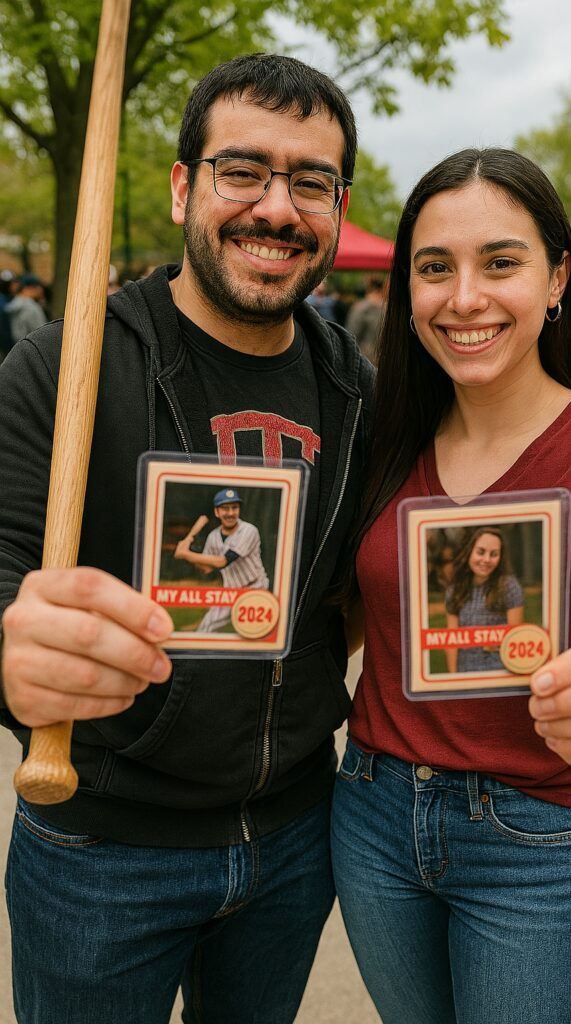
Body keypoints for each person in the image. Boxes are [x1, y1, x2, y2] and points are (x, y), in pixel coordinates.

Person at [0, 54, 374, 1024]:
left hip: (293, 836)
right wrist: (13, 649)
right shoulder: (62, 362)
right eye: (242, 171)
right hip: (102, 851)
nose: (276, 208)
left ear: (338, 205)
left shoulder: (357, 384)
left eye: (310, 182)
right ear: (182, 187)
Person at [331, 148, 571, 1024]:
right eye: (434, 268)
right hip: (372, 817)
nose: (464, 298)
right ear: (406, 293)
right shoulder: (380, 443)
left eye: (500, 263)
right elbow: (341, 618)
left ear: (557, 277)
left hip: (536, 835)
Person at [174, 487, 269, 632]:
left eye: (234, 508)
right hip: (230, 592)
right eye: (225, 508)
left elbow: (222, 561)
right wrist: (187, 552)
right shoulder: (213, 536)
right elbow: (206, 568)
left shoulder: (249, 530)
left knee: (256, 635)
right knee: (204, 630)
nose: (230, 513)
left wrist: (185, 554)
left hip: (255, 588)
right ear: (216, 512)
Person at [444, 526, 523, 673]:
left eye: (494, 554)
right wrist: (453, 681)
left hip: (499, 671)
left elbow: (516, 640)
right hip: (465, 671)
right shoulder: (454, 591)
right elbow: (451, 643)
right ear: (469, 552)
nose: (486, 560)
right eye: (481, 552)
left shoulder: (509, 587)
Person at [345, 275, 386, 363]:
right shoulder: (388, 308)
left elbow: (352, 334)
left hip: (365, 357)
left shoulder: (360, 307)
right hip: (385, 356)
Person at [5, 272, 48, 344]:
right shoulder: (31, 308)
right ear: (30, 288)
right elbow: (42, 335)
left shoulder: (13, 305)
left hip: (17, 349)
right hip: (34, 349)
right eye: (38, 286)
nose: (41, 290)